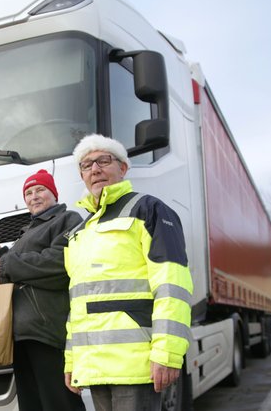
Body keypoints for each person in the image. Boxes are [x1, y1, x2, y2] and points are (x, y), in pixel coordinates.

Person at [63, 134, 194, 411]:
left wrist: (167, 353)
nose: (95, 169)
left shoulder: (149, 210)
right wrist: (72, 360)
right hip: (96, 367)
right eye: (86, 165)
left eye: (103, 160)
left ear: (123, 168)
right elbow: (77, 305)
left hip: (136, 364)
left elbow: (173, 284)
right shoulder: (79, 232)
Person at [0, 170, 86, 411]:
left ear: (54, 194)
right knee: (32, 404)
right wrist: (0, 252)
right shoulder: (27, 231)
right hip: (21, 333)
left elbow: (59, 263)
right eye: (28, 193)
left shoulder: (67, 220)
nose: (34, 197)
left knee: (59, 403)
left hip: (47, 331)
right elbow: (22, 265)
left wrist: (6, 264)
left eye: (40, 190)